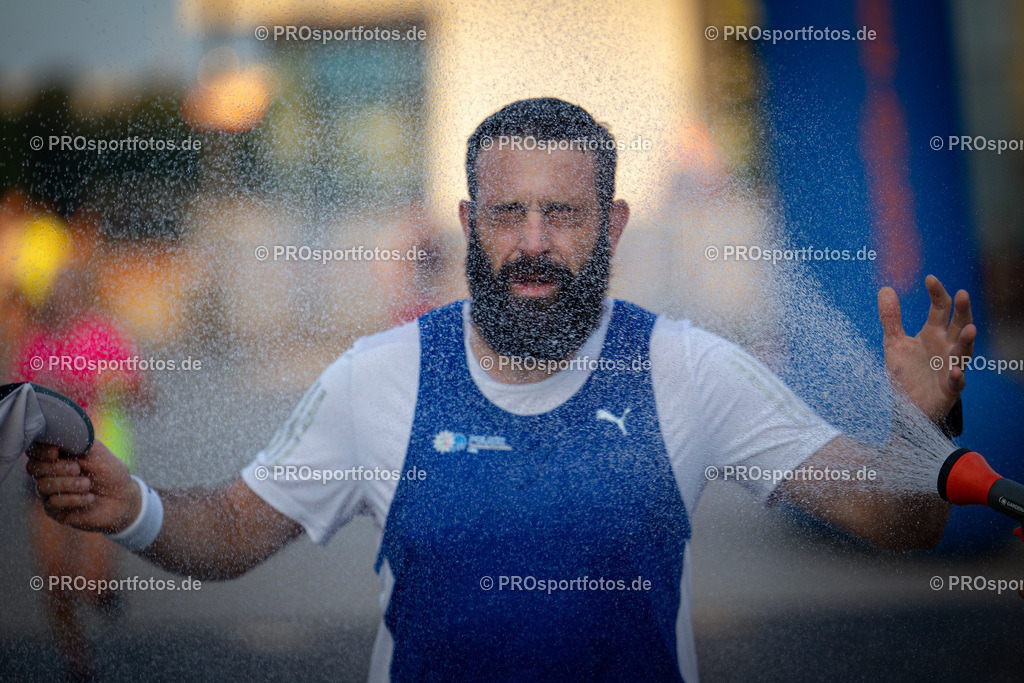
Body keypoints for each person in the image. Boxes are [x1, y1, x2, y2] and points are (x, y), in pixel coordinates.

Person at [26, 98, 979, 681]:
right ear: (467, 220)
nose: (531, 241)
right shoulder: (381, 374)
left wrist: (920, 432)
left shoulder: (683, 367)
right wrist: (137, 505)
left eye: (561, 213)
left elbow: (902, 521)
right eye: (507, 212)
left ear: (612, 223)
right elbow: (234, 529)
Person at [12, 265, 145, 681]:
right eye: (58, 292)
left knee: (89, 583)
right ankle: (77, 663)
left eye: (72, 291)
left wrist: (119, 382)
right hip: (45, 467)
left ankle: (103, 592)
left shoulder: (102, 335)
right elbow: (15, 399)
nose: (64, 299)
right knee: (53, 577)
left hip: (96, 468)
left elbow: (143, 393)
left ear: (83, 295)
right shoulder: (37, 342)